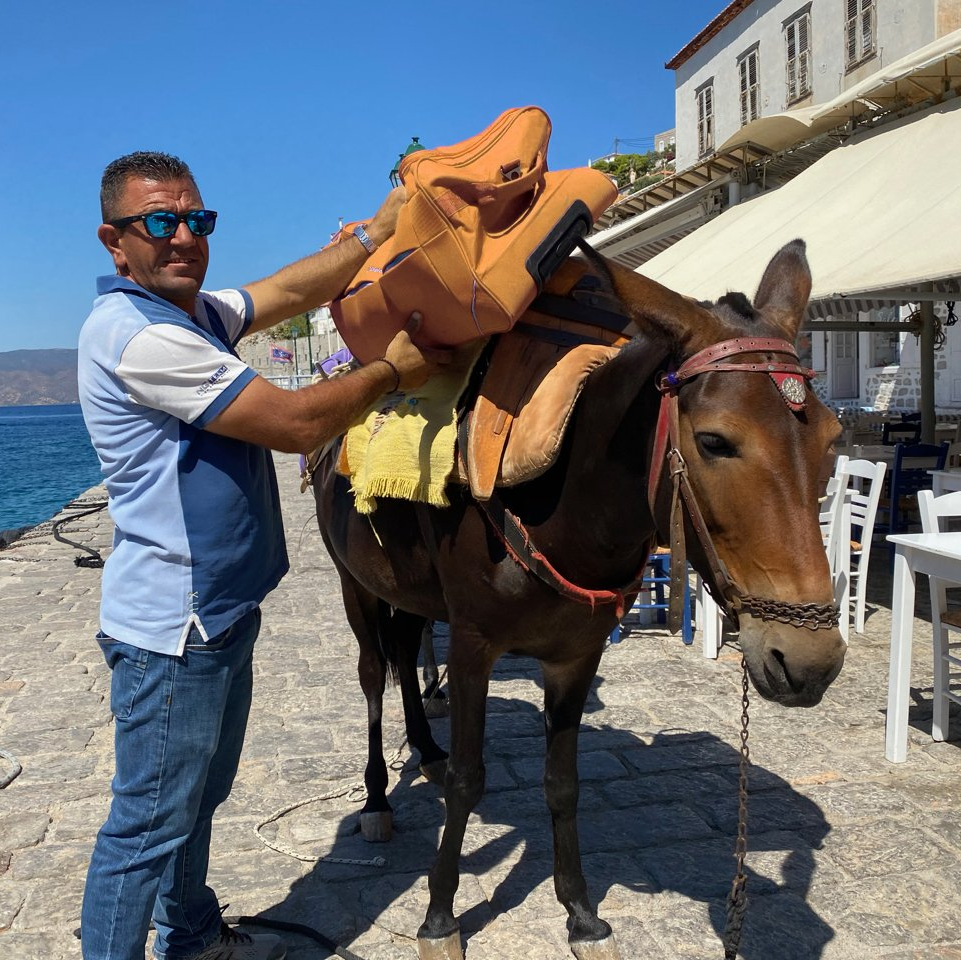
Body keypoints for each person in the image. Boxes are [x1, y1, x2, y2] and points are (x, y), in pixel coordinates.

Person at [77, 151, 450, 960]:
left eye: (197, 220)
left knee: (192, 805)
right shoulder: (140, 335)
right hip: (174, 633)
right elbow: (293, 424)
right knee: (144, 828)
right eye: (161, 223)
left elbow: (285, 291)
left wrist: (374, 232)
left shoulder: (187, 314)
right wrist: (392, 370)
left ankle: (193, 938)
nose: (184, 237)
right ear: (116, 241)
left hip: (216, 616)